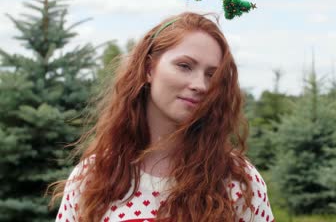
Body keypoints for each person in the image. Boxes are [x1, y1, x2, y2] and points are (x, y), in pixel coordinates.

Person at [49, 12, 274, 222]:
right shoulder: (93, 176)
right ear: (149, 69)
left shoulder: (238, 181)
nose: (200, 85)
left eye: (211, 75)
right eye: (184, 66)